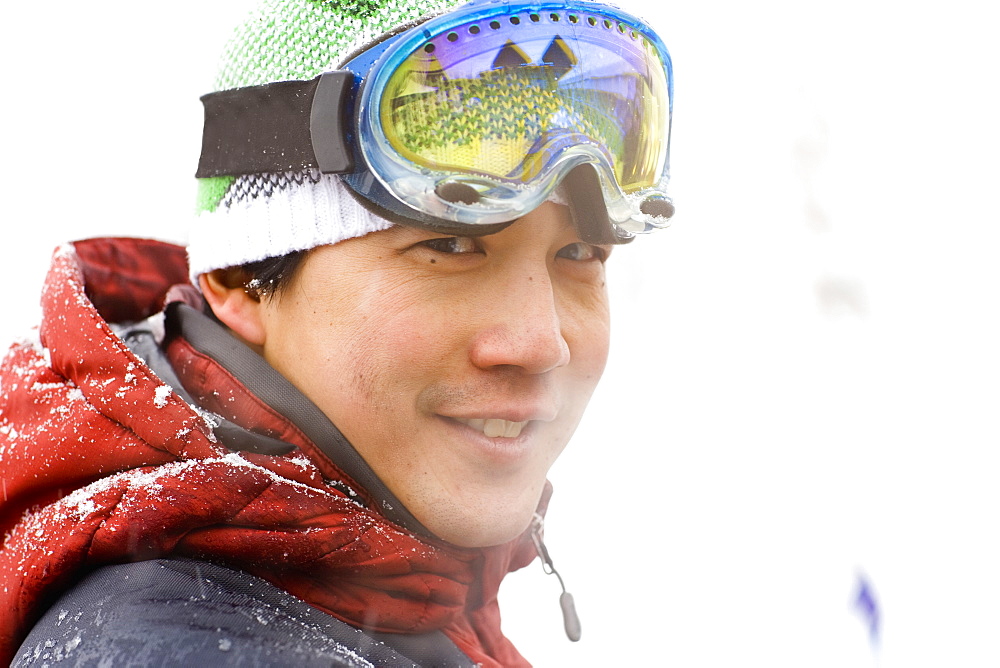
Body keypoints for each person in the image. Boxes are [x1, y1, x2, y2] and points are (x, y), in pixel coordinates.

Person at [0, 0, 674, 664]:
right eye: (450, 245)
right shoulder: (184, 647)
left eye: (580, 255)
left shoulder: (388, 583)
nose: (540, 343)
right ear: (241, 276)